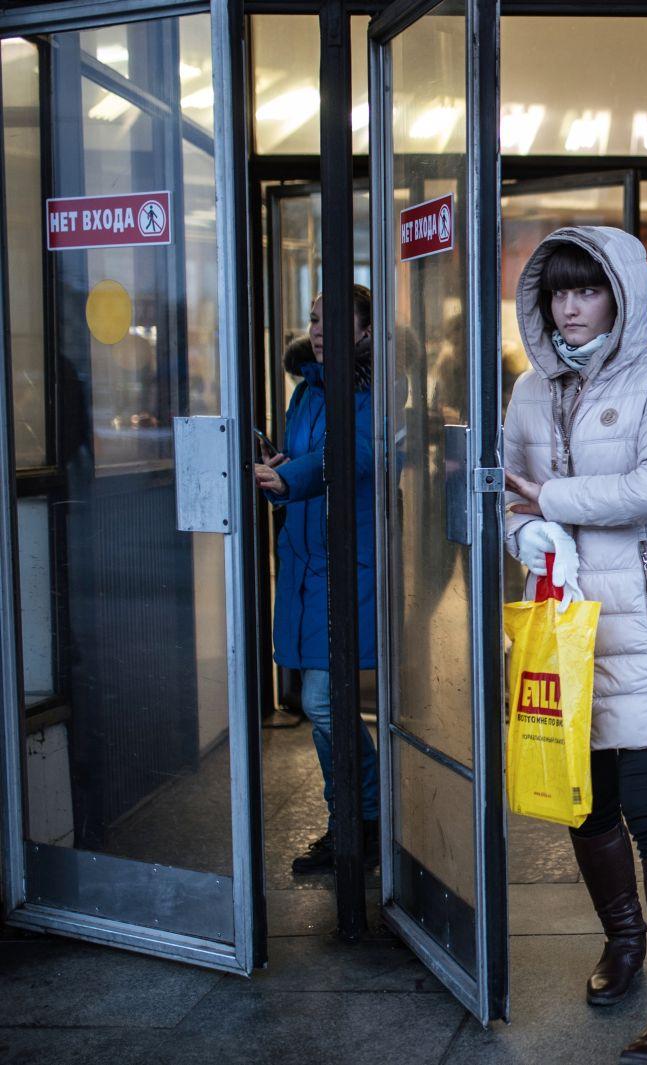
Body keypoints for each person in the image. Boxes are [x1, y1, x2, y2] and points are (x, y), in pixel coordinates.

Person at [500, 228, 647, 1065]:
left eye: (587, 290)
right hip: (563, 624)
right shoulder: (526, 391)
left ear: (620, 295)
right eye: (558, 292)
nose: (571, 306)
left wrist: (550, 495)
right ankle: (624, 943)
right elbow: (506, 503)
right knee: (583, 801)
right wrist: (530, 539)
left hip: (646, 624)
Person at [253, 288, 381, 875]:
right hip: (307, 559)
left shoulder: (368, 387)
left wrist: (293, 479)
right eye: (313, 318)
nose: (320, 329)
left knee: (323, 703)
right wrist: (281, 465)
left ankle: (364, 820)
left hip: (345, 559)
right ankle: (352, 823)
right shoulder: (306, 388)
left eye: (334, 320)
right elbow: (309, 454)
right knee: (326, 705)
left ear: (364, 329)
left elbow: (352, 454)